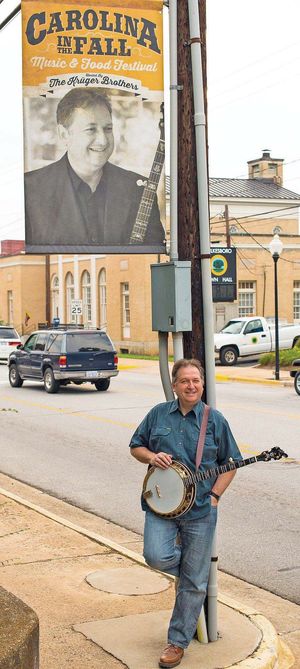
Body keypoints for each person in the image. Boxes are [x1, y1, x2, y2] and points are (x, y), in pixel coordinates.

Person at [129, 358, 242, 669]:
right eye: (185, 381)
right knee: (156, 556)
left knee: (192, 582)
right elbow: (135, 446)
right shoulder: (157, 414)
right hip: (160, 506)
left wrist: (216, 496)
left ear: (202, 384)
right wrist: (152, 456)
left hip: (201, 510)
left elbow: (231, 463)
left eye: (196, 381)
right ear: (175, 385)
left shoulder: (215, 420)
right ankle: (194, 575)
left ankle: (177, 642)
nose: (191, 386)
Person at [24, 88, 165, 250]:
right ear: (64, 135)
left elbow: (155, 258)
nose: (102, 140)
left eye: (108, 129)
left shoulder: (139, 191)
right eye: (91, 129)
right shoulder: (30, 190)